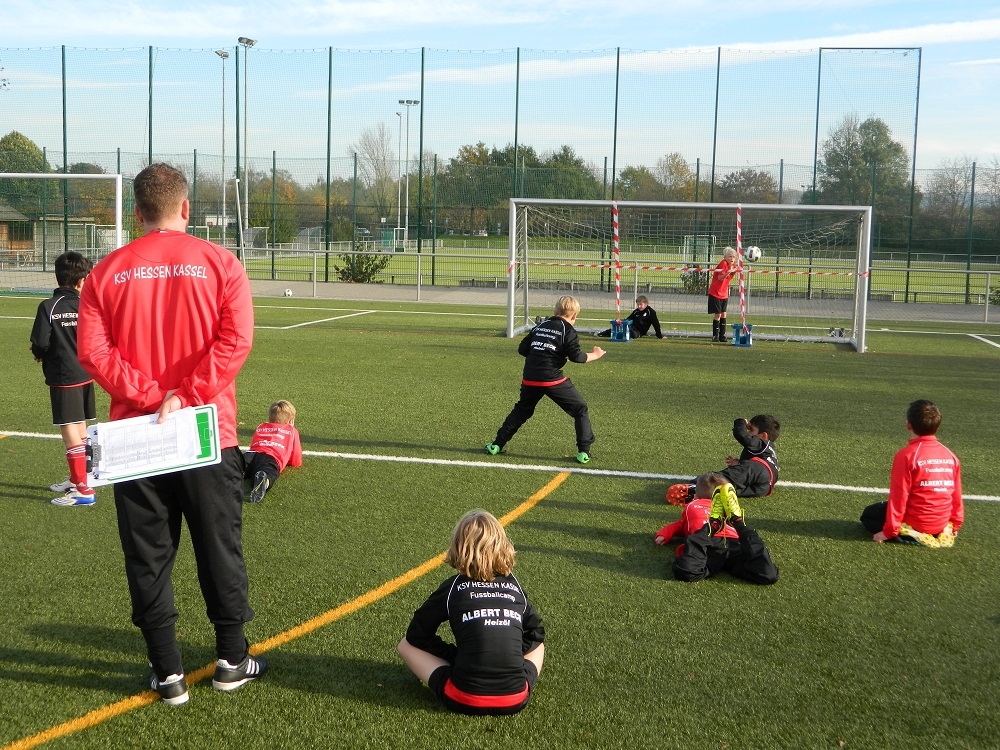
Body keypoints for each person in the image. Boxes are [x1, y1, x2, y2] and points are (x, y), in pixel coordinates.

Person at [77, 163, 264, 707]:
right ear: (186, 208)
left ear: (136, 212)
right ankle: (232, 660)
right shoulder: (222, 263)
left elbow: (92, 353)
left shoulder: (105, 272)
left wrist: (147, 394)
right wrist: (185, 394)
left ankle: (167, 674)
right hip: (207, 431)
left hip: (136, 436)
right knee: (219, 547)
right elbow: (237, 340)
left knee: (148, 557)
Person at [397, 509, 545, 716]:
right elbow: (536, 634)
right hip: (515, 699)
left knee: (405, 645)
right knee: (539, 646)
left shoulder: (453, 588)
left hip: (464, 698)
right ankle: (508, 681)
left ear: (458, 547)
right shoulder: (514, 587)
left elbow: (416, 634)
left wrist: (454, 656)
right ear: (503, 545)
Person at [485, 296, 606, 464]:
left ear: (555, 311)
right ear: (574, 315)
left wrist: (540, 352)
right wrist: (595, 354)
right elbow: (577, 357)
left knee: (522, 411)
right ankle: (584, 452)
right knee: (580, 409)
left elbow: (522, 349)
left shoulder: (540, 326)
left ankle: (496, 445)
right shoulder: (568, 330)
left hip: (530, 378)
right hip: (552, 380)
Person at [30, 251, 98, 507]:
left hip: (63, 375)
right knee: (81, 428)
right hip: (86, 374)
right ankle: (77, 478)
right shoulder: (87, 305)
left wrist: (39, 354)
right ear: (81, 281)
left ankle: (83, 489)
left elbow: (40, 342)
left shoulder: (48, 307)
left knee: (70, 430)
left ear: (57, 277)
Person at [860, 399, 963, 547]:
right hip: (941, 523)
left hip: (917, 522)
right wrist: (955, 524)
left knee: (869, 515)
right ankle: (942, 531)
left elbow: (899, 497)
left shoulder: (906, 455)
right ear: (937, 426)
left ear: (908, 425)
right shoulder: (950, 455)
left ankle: (910, 534)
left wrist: (888, 532)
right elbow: (956, 495)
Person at [673, 481, 779, 584]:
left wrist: (667, 534)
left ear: (696, 496)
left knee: (768, 575)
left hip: (716, 542)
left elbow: (681, 525)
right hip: (725, 542)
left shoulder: (693, 504)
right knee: (687, 573)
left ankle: (724, 522)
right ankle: (731, 521)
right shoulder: (694, 505)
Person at [666, 415, 781, 505]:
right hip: (765, 487)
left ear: (764, 436)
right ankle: (709, 495)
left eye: (751, 430)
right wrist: (740, 463)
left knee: (721, 478)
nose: (748, 432)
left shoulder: (763, 443)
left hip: (756, 469)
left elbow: (741, 435)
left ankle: (695, 488)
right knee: (729, 489)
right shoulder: (770, 452)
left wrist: (740, 422)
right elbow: (761, 469)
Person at [655, 472, 738, 555]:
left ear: (695, 497)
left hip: (703, 540)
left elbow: (683, 526)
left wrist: (664, 533)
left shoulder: (692, 505)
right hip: (733, 540)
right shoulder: (727, 508)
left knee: (691, 559)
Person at [244, 399, 302, 504]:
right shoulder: (292, 431)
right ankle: (263, 479)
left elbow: (252, 445)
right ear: (290, 421)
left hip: (251, 454)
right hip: (272, 458)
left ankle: (226, 474)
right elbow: (296, 460)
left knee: (239, 466)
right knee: (268, 471)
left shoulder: (262, 426)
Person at [596, 295, 663, 338]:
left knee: (633, 335)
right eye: (638, 305)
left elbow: (656, 324)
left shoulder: (651, 312)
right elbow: (628, 319)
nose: (639, 306)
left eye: (641, 304)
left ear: (646, 304)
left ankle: (621, 333)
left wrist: (659, 335)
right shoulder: (636, 311)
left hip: (638, 332)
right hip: (631, 327)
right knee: (619, 326)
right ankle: (601, 334)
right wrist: (621, 322)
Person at [708, 246, 738, 342]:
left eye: (733, 257)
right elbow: (720, 277)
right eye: (730, 256)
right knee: (718, 314)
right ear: (725, 257)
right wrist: (729, 271)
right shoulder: (723, 263)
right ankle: (715, 335)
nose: (732, 258)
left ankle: (722, 335)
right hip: (716, 292)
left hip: (724, 293)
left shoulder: (731, 265)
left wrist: (734, 270)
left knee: (724, 314)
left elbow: (729, 278)